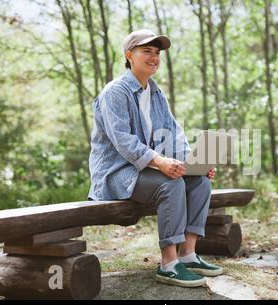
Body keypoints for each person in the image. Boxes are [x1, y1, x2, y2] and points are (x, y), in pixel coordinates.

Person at [88, 29, 222, 287]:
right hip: (116, 174)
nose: (154, 57)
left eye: (157, 53)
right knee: (170, 184)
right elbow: (123, 141)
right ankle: (169, 265)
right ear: (129, 56)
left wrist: (195, 164)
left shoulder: (156, 93)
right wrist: (160, 162)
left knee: (199, 183)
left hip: (145, 171)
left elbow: (173, 134)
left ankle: (188, 255)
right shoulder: (115, 92)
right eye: (146, 51)